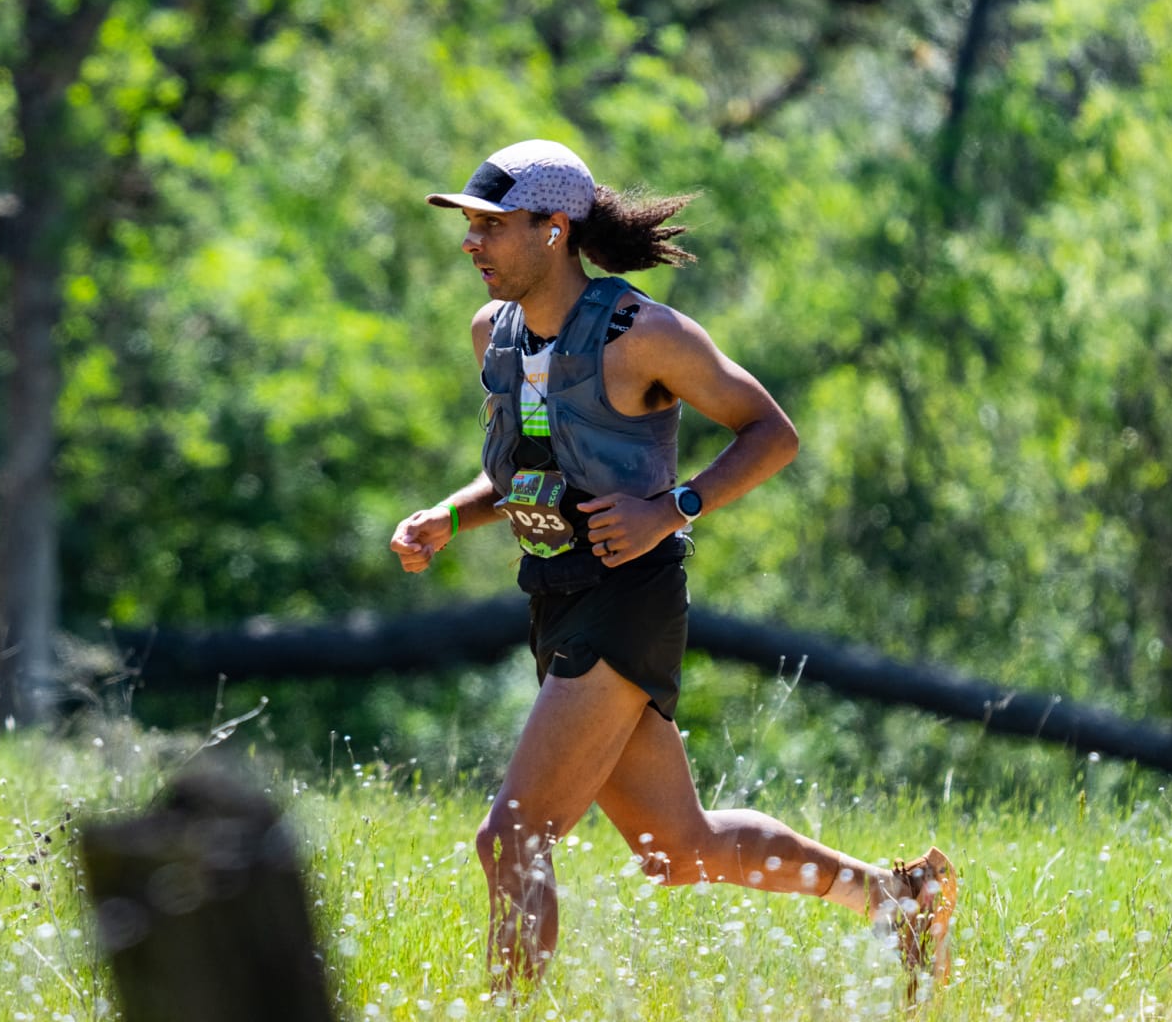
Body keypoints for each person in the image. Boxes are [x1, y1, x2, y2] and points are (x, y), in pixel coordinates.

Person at [389, 139, 956, 995]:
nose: (472, 242)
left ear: (554, 229)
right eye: (470, 225)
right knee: (676, 850)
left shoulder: (642, 333)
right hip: (553, 593)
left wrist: (674, 507)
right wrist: (452, 515)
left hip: (627, 598)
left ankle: (504, 1012)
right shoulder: (493, 334)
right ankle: (897, 898)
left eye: (492, 226)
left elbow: (772, 432)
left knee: (511, 838)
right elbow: (524, 472)